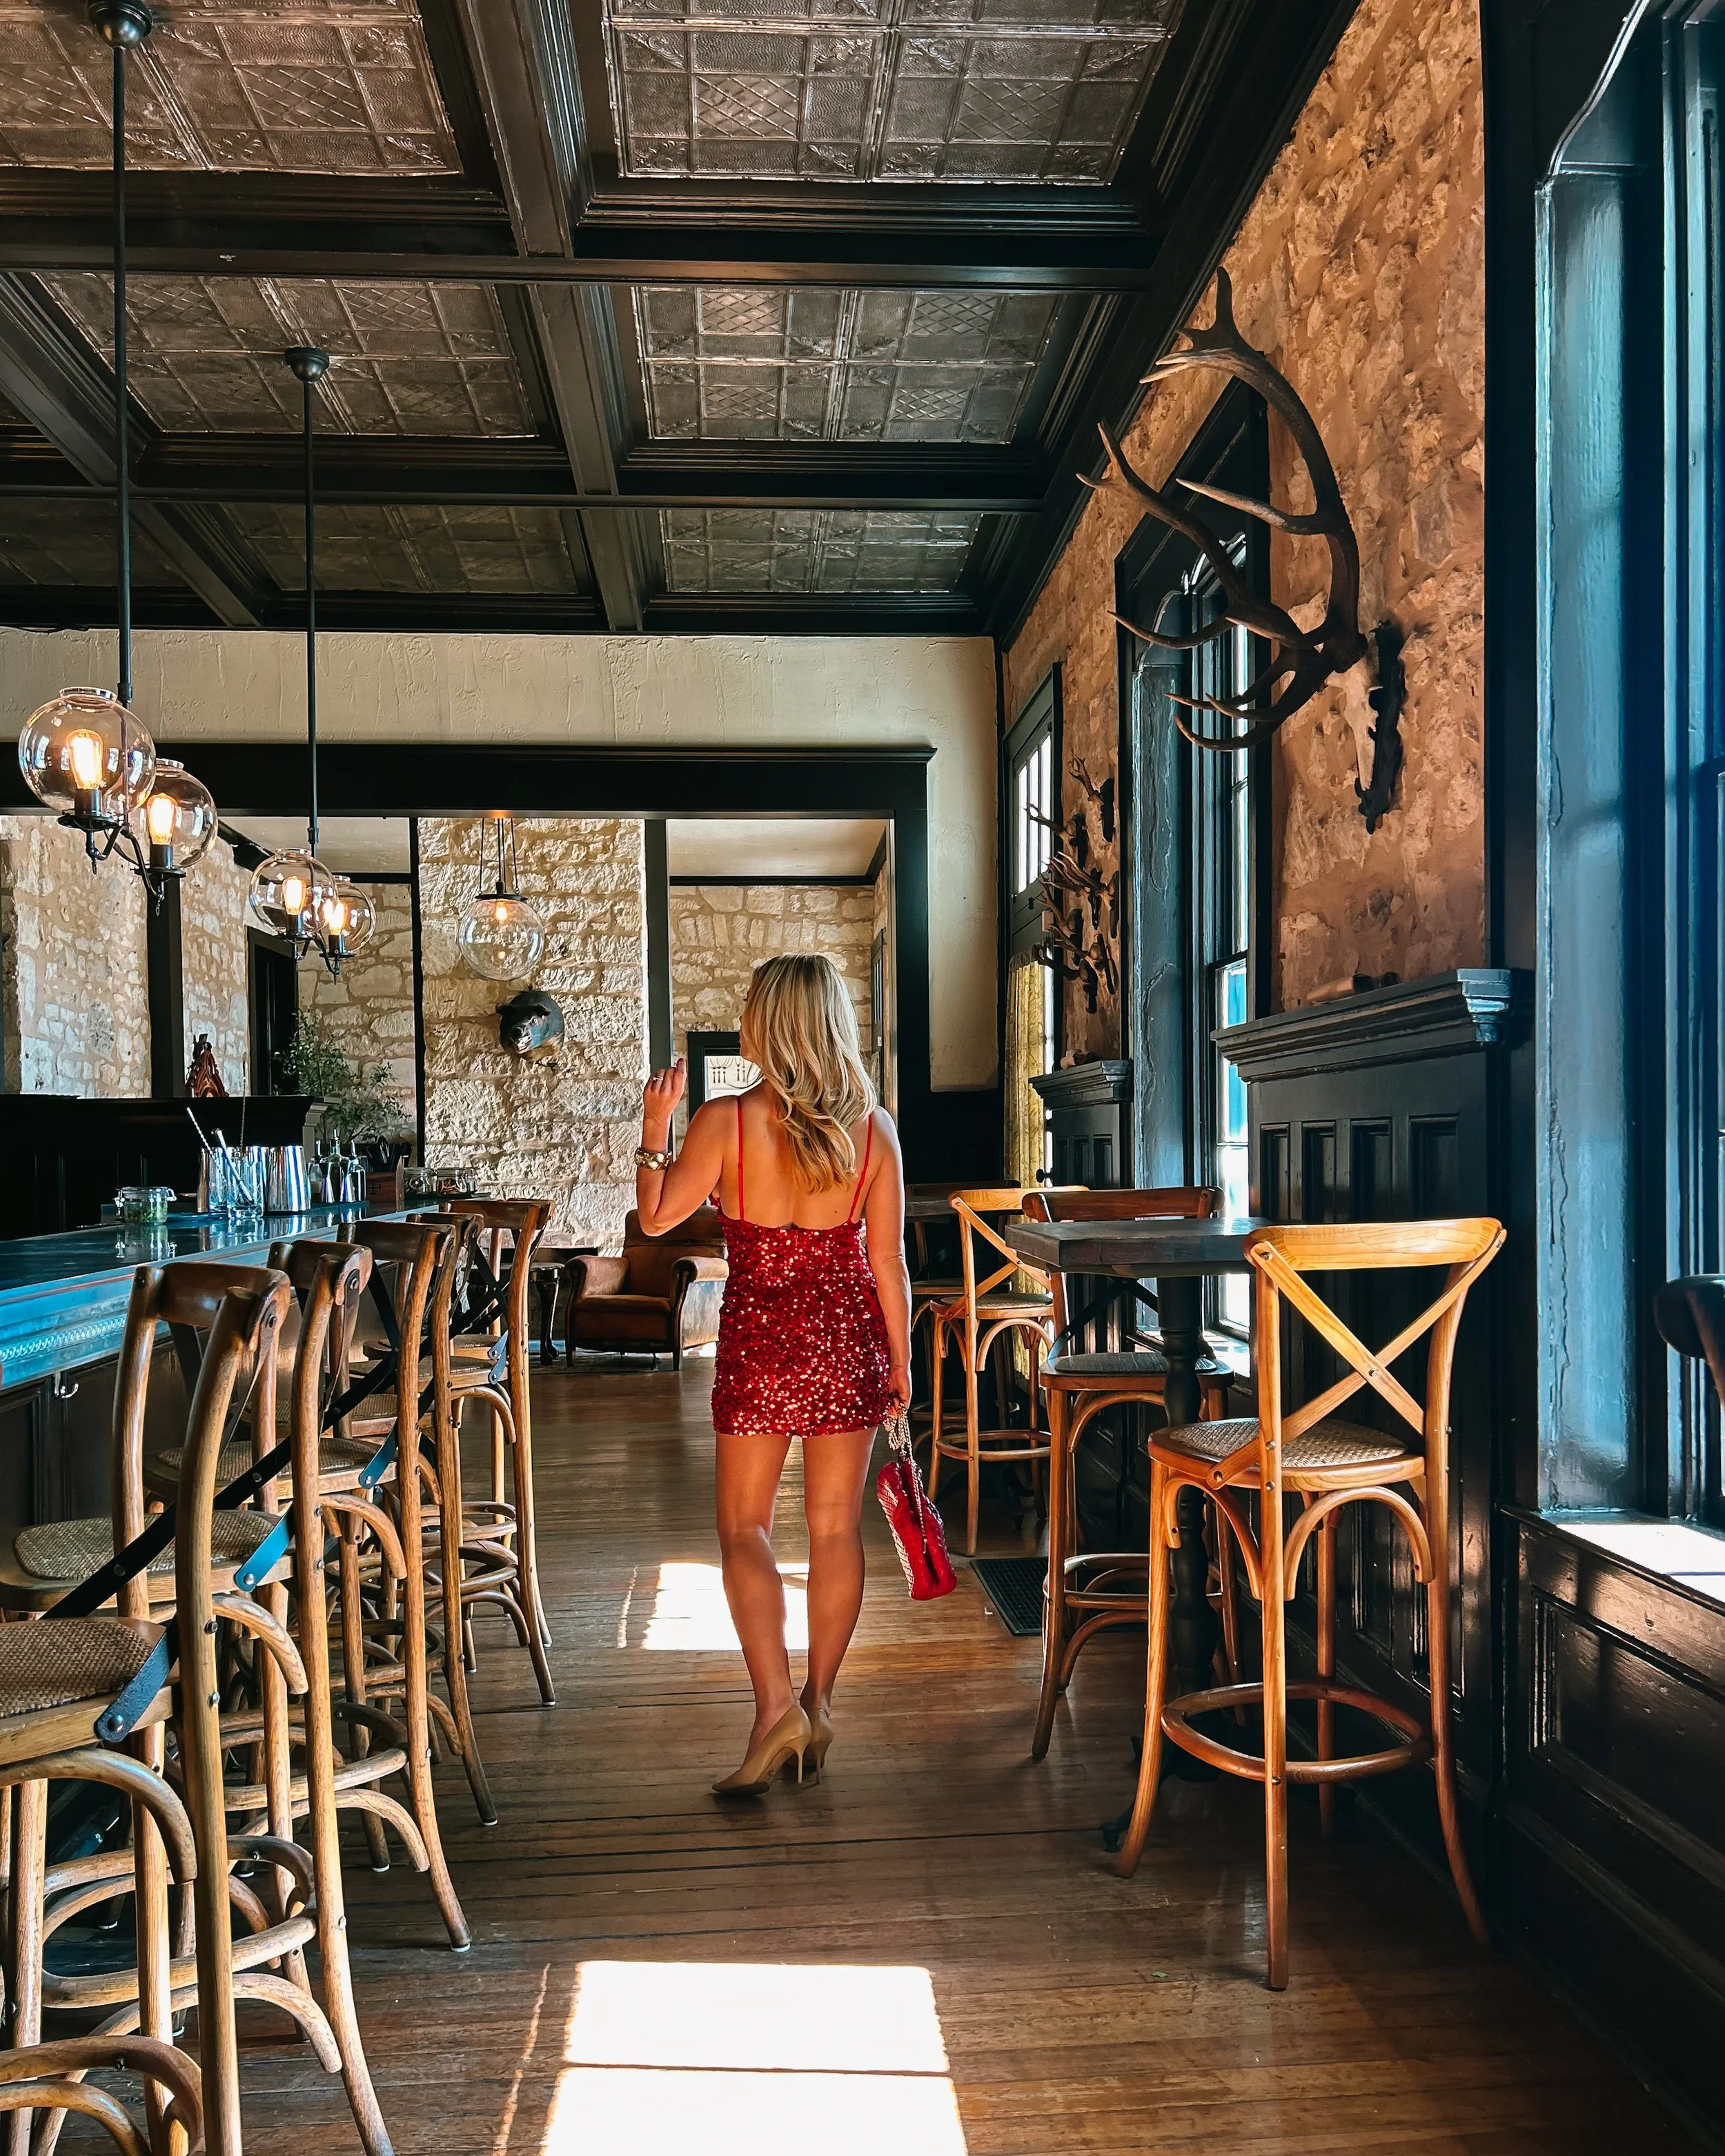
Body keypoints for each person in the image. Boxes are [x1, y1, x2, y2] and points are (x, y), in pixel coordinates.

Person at [634, 953, 912, 1796]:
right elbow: (888, 1260)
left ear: (771, 1021)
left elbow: (655, 1216)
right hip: (845, 1343)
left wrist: (655, 1129)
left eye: (751, 1002)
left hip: (758, 1342)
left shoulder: (724, 1121)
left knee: (744, 1530)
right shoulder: (874, 1129)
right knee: (835, 1532)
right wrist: (900, 1365)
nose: (743, 1013)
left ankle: (773, 1708)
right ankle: (819, 1705)